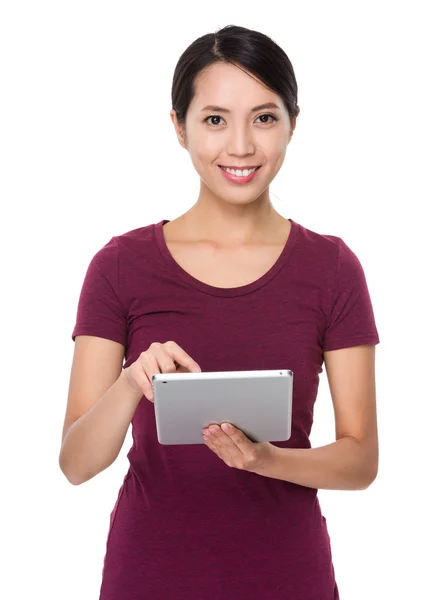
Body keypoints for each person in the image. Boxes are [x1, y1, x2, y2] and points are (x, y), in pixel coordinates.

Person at [59, 24, 380, 600]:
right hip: (150, 575)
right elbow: (77, 463)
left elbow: (360, 461)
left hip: (287, 576)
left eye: (263, 117)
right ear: (179, 128)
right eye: (214, 119)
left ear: (292, 125)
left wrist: (265, 459)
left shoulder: (332, 268)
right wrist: (132, 383)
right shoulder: (119, 265)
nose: (240, 146)